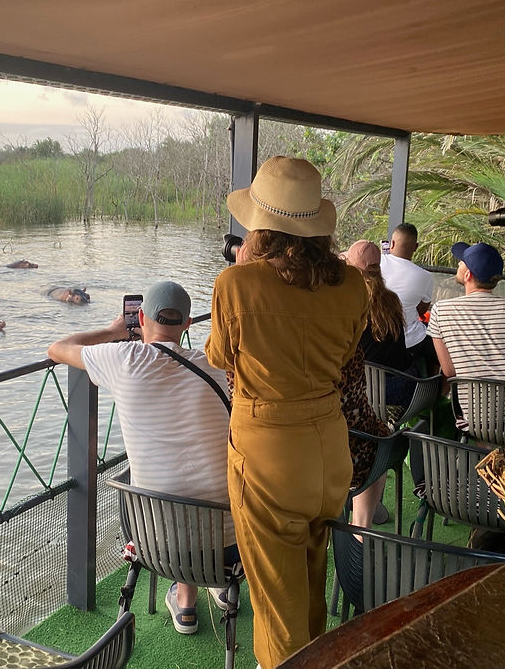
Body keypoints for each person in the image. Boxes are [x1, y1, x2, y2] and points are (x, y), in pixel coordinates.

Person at [205, 156, 368, 669]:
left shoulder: (238, 285)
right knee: (310, 582)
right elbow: (343, 358)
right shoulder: (353, 285)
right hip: (329, 454)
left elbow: (219, 356)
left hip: (269, 458)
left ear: (260, 227)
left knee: (277, 607)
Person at [47, 280, 233, 636]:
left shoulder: (124, 358)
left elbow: (58, 348)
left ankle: (185, 601)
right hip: (228, 546)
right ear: (188, 325)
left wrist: (113, 330)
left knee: (168, 483)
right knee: (199, 469)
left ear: (141, 318)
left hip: (155, 543)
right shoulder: (216, 366)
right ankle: (211, 586)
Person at [427, 242, 505, 422]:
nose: (458, 264)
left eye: (461, 262)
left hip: (478, 419)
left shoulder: (440, 310)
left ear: (468, 275)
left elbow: (449, 370)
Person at [341, 239, 409, 528]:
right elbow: (402, 355)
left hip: (350, 401)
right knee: (380, 436)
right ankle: (370, 504)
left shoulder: (341, 304)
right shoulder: (392, 301)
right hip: (389, 398)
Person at [379, 222, 438, 371]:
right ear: (416, 247)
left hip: (377, 337)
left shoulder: (377, 262)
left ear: (391, 243)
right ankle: (432, 390)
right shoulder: (425, 276)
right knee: (438, 350)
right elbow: (421, 311)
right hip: (410, 340)